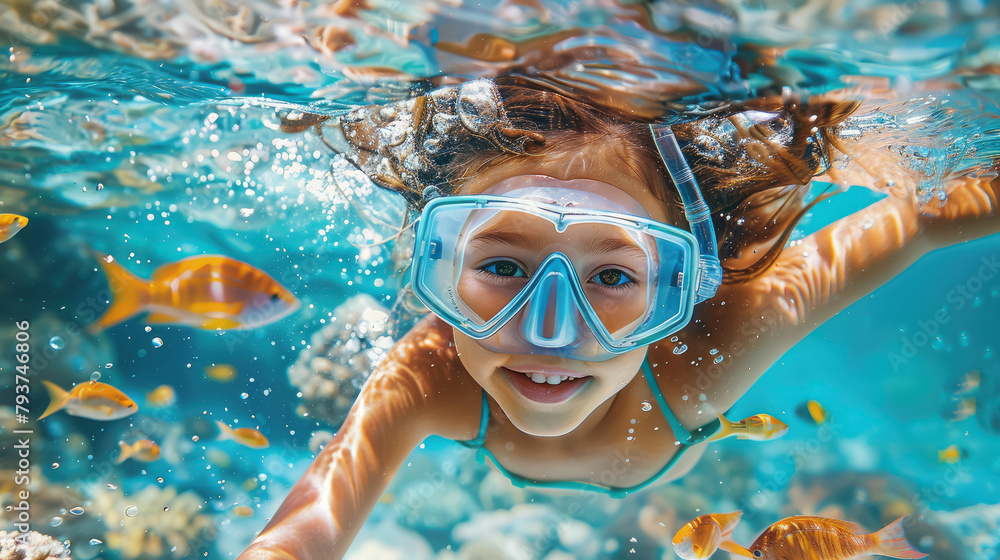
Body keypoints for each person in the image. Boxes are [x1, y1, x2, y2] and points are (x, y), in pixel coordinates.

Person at [238, 76, 999, 559]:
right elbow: (307, 532)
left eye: (611, 277)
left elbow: (925, 217)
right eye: (502, 267)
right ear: (435, 267)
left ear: (683, 287)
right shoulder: (426, 372)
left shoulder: (717, 338)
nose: (550, 333)